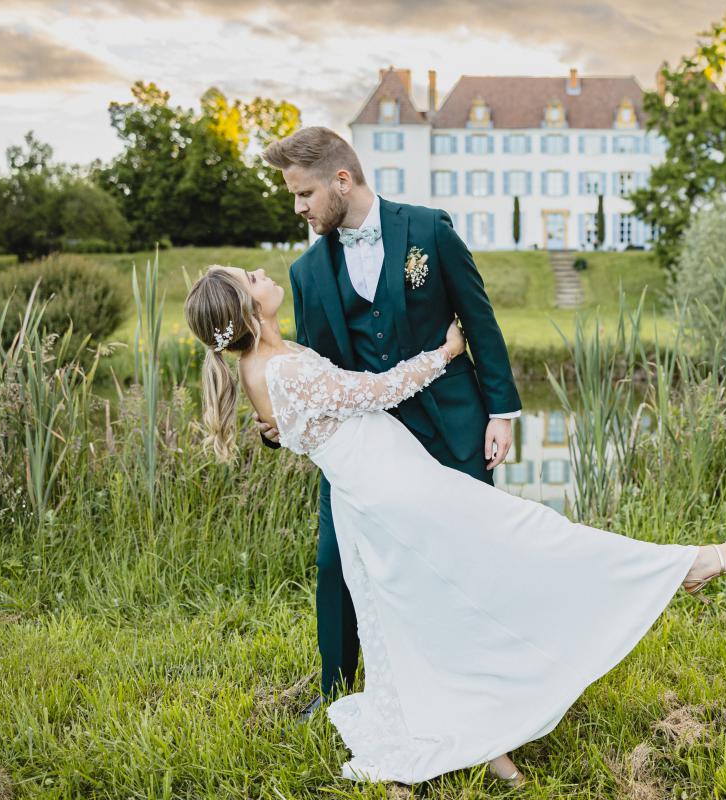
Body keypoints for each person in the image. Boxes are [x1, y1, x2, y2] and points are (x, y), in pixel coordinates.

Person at [184, 265, 726, 787]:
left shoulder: (274, 359)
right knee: (524, 535)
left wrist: (276, 427)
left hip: (383, 490)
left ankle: (485, 735)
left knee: (437, 604)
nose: (262, 273)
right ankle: (683, 566)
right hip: (393, 493)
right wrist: (447, 352)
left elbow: (298, 419)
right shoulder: (277, 366)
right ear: (247, 307)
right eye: (250, 277)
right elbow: (373, 393)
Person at [254, 126, 523, 724]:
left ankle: (487, 682)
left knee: (470, 550)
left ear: (341, 181)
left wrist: (501, 411)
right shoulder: (305, 272)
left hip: (453, 424)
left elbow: (478, 319)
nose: (297, 208)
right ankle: (336, 689)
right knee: (333, 559)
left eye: (303, 194)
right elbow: (319, 369)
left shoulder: (428, 229)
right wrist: (281, 421)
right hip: (363, 440)